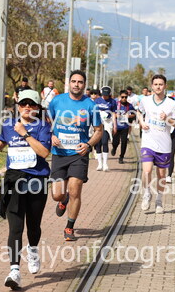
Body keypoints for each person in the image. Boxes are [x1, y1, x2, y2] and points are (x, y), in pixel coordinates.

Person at [0, 90, 52, 290]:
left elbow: (44, 152)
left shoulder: (43, 126)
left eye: (31, 104)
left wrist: (24, 133)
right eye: (23, 103)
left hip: (36, 180)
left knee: (33, 225)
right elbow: (3, 138)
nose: (27, 107)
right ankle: (14, 271)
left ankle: (33, 250)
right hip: (14, 181)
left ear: (37, 108)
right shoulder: (9, 124)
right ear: (18, 105)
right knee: (15, 227)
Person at [48, 70, 102, 241]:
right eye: (74, 81)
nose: (76, 84)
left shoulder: (91, 105)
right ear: (69, 83)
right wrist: (51, 135)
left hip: (79, 154)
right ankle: (62, 200)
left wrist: (88, 145)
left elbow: (99, 131)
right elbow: (47, 122)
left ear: (84, 85)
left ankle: (69, 227)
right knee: (56, 194)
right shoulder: (57, 101)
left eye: (80, 82)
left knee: (75, 191)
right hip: (59, 153)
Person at [138, 74, 175, 214]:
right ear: (152, 86)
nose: (158, 87)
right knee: (147, 171)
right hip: (148, 141)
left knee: (161, 175)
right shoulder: (145, 100)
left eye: (161, 84)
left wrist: (167, 119)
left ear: (165, 86)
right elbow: (139, 112)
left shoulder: (171, 104)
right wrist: (142, 122)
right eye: (155, 84)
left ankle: (159, 200)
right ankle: (146, 194)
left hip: (164, 144)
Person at [93, 86, 117, 171]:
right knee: (98, 143)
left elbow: (113, 114)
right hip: (98, 124)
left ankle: (105, 164)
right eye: (104, 94)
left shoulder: (113, 102)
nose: (105, 96)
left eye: (106, 95)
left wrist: (115, 125)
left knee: (105, 142)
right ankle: (99, 163)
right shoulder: (97, 101)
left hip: (107, 124)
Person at [112, 90, 135, 164]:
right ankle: (114, 148)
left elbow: (134, 114)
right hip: (117, 126)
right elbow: (111, 113)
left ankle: (121, 157)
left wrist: (129, 116)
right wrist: (116, 115)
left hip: (125, 127)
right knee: (115, 142)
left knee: (124, 142)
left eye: (126, 97)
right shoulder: (116, 104)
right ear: (119, 97)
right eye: (122, 97)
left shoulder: (129, 105)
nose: (124, 98)